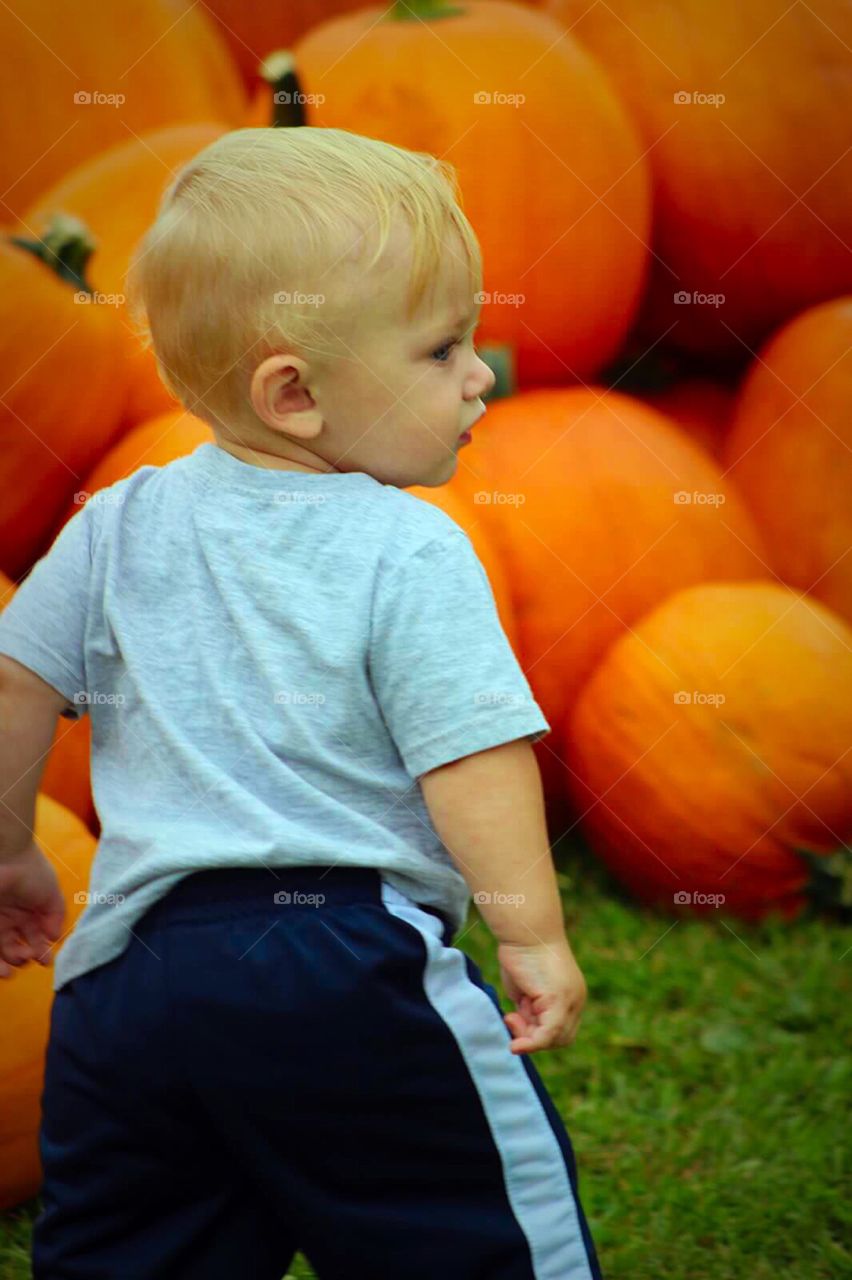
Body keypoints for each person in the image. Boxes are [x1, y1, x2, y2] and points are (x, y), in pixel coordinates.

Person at [0, 126, 604, 1279]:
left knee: (140, 1249)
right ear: (296, 393)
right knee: (469, 1234)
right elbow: (472, 752)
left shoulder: (115, 522)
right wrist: (528, 928)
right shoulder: (407, 546)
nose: (482, 373)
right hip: (341, 969)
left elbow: (11, 679)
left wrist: (9, 851)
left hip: (126, 985)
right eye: (440, 350)